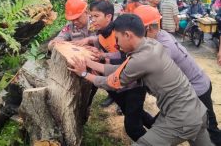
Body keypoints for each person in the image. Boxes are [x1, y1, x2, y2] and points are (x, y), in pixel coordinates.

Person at [68, 13, 213, 146]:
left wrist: (84, 74)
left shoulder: (141, 59)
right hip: (197, 111)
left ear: (127, 35)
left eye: (117, 39)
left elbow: (112, 83)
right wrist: (89, 63)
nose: (117, 44)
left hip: (182, 119)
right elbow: (121, 69)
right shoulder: (151, 45)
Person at [134, 5, 221, 145]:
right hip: (194, 85)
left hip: (197, 89)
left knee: (210, 131)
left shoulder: (163, 48)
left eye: (136, 31)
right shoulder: (161, 34)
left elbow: (147, 70)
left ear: (148, 28)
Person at [73, 0, 154, 141]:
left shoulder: (120, 33)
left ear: (109, 17)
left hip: (132, 85)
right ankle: (157, 131)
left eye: (96, 16)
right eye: (91, 16)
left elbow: (126, 62)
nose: (92, 20)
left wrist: (100, 61)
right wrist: (97, 51)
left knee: (132, 127)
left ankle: (155, 141)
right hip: (116, 85)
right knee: (136, 113)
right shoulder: (100, 34)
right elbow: (103, 45)